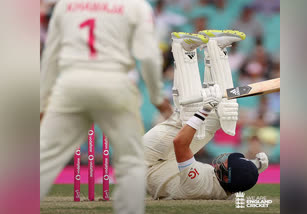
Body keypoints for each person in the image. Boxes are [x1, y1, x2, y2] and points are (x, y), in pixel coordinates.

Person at [40, 0, 172, 213]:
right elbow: (148, 56)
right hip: (114, 82)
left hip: (71, 83)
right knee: (130, 161)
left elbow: (51, 56)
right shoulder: (137, 6)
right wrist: (156, 97)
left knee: (43, 156)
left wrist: (41, 103)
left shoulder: (66, 4)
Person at [143, 31, 269, 200]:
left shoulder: (197, 185)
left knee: (190, 115)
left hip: (146, 164)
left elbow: (180, 143)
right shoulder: (230, 186)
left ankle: (183, 49)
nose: (223, 161)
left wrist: (204, 110)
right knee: (223, 114)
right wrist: (255, 167)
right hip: (171, 161)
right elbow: (241, 179)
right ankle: (216, 49)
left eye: (226, 164)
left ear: (225, 177)